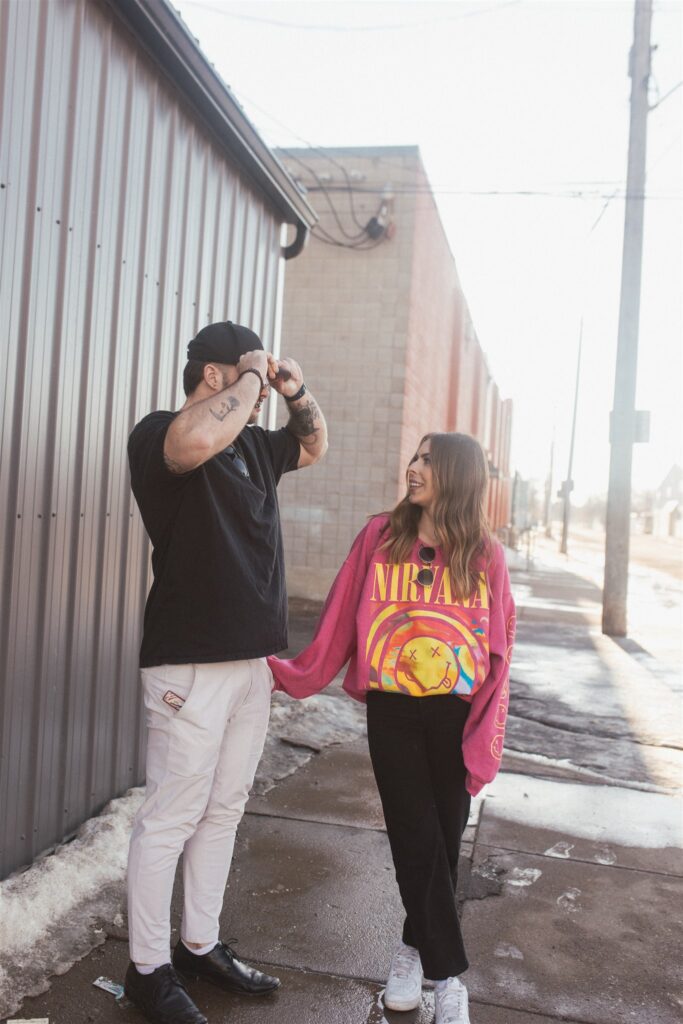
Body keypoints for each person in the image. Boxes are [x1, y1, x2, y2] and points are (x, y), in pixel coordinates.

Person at [268, 432, 515, 1024]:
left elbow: (500, 649)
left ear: (456, 475)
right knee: (414, 832)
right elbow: (340, 617)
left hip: (454, 714)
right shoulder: (381, 537)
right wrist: (295, 673)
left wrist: (485, 730)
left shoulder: (485, 555)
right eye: (415, 456)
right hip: (394, 709)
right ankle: (449, 975)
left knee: (442, 838)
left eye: (428, 460)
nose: (414, 467)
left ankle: (410, 951)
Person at [124, 320, 328, 1024]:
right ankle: (146, 970)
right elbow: (193, 442)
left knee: (223, 809)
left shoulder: (253, 445)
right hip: (189, 662)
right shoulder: (160, 434)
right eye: (244, 376)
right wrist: (247, 376)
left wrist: (294, 391)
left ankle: (198, 943)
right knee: (169, 818)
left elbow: (312, 444)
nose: (259, 393)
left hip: (251, 662)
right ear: (212, 375)